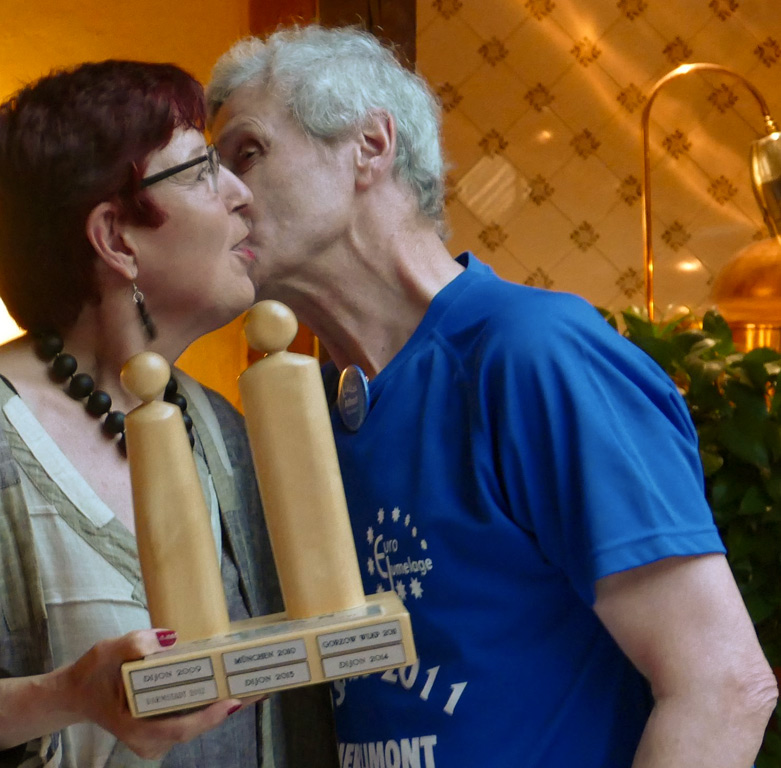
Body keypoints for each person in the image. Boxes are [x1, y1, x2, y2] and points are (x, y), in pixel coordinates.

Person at [207, 25, 779, 767]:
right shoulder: (308, 412)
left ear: (369, 147)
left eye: (247, 153)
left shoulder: (532, 353)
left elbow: (723, 688)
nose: (221, 194)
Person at [0, 60, 335, 768]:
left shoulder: (223, 428)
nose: (242, 193)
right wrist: (65, 695)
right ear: (116, 238)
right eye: (202, 169)